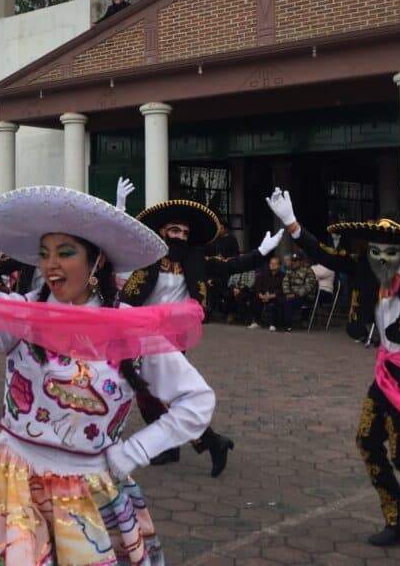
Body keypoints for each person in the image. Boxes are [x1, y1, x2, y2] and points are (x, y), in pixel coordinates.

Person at [0, 185, 214, 564]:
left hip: (86, 495)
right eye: (44, 254)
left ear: (96, 261)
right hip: (10, 482)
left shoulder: (127, 330)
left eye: (65, 253)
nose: (50, 265)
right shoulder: (26, 313)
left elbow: (197, 400)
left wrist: (134, 452)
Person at [268, 189, 400, 557]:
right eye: (376, 247)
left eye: (390, 248)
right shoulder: (367, 268)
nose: (382, 255)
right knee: (367, 441)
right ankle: (399, 521)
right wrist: (291, 223)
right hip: (387, 369)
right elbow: (326, 255)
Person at [118, 177, 282, 476]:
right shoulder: (147, 258)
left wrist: (261, 252)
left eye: (185, 232)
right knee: (149, 392)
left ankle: (206, 441)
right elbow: (118, 254)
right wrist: (120, 209)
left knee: (158, 392)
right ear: (162, 232)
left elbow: (231, 265)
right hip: (143, 333)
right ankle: (184, 444)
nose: (180, 236)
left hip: (172, 336)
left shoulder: (196, 259)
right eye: (174, 231)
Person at [282, 252, 318, 331]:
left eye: (296, 261)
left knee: (289, 302)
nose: (294, 262)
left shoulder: (308, 271)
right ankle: (278, 323)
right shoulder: (289, 270)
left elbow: (308, 287)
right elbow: (285, 282)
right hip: (291, 295)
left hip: (305, 297)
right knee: (280, 299)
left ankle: (288, 326)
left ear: (301, 261)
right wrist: (287, 293)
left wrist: (295, 294)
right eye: (293, 260)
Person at [253, 255, 284, 330]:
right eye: (271, 263)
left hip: (275, 295)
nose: (272, 265)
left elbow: (282, 289)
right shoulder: (264, 273)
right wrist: (260, 294)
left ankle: (273, 324)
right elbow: (258, 285)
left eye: (275, 264)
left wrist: (271, 295)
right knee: (255, 299)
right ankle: (257, 322)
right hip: (264, 295)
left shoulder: (282, 276)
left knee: (276, 302)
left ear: (279, 266)